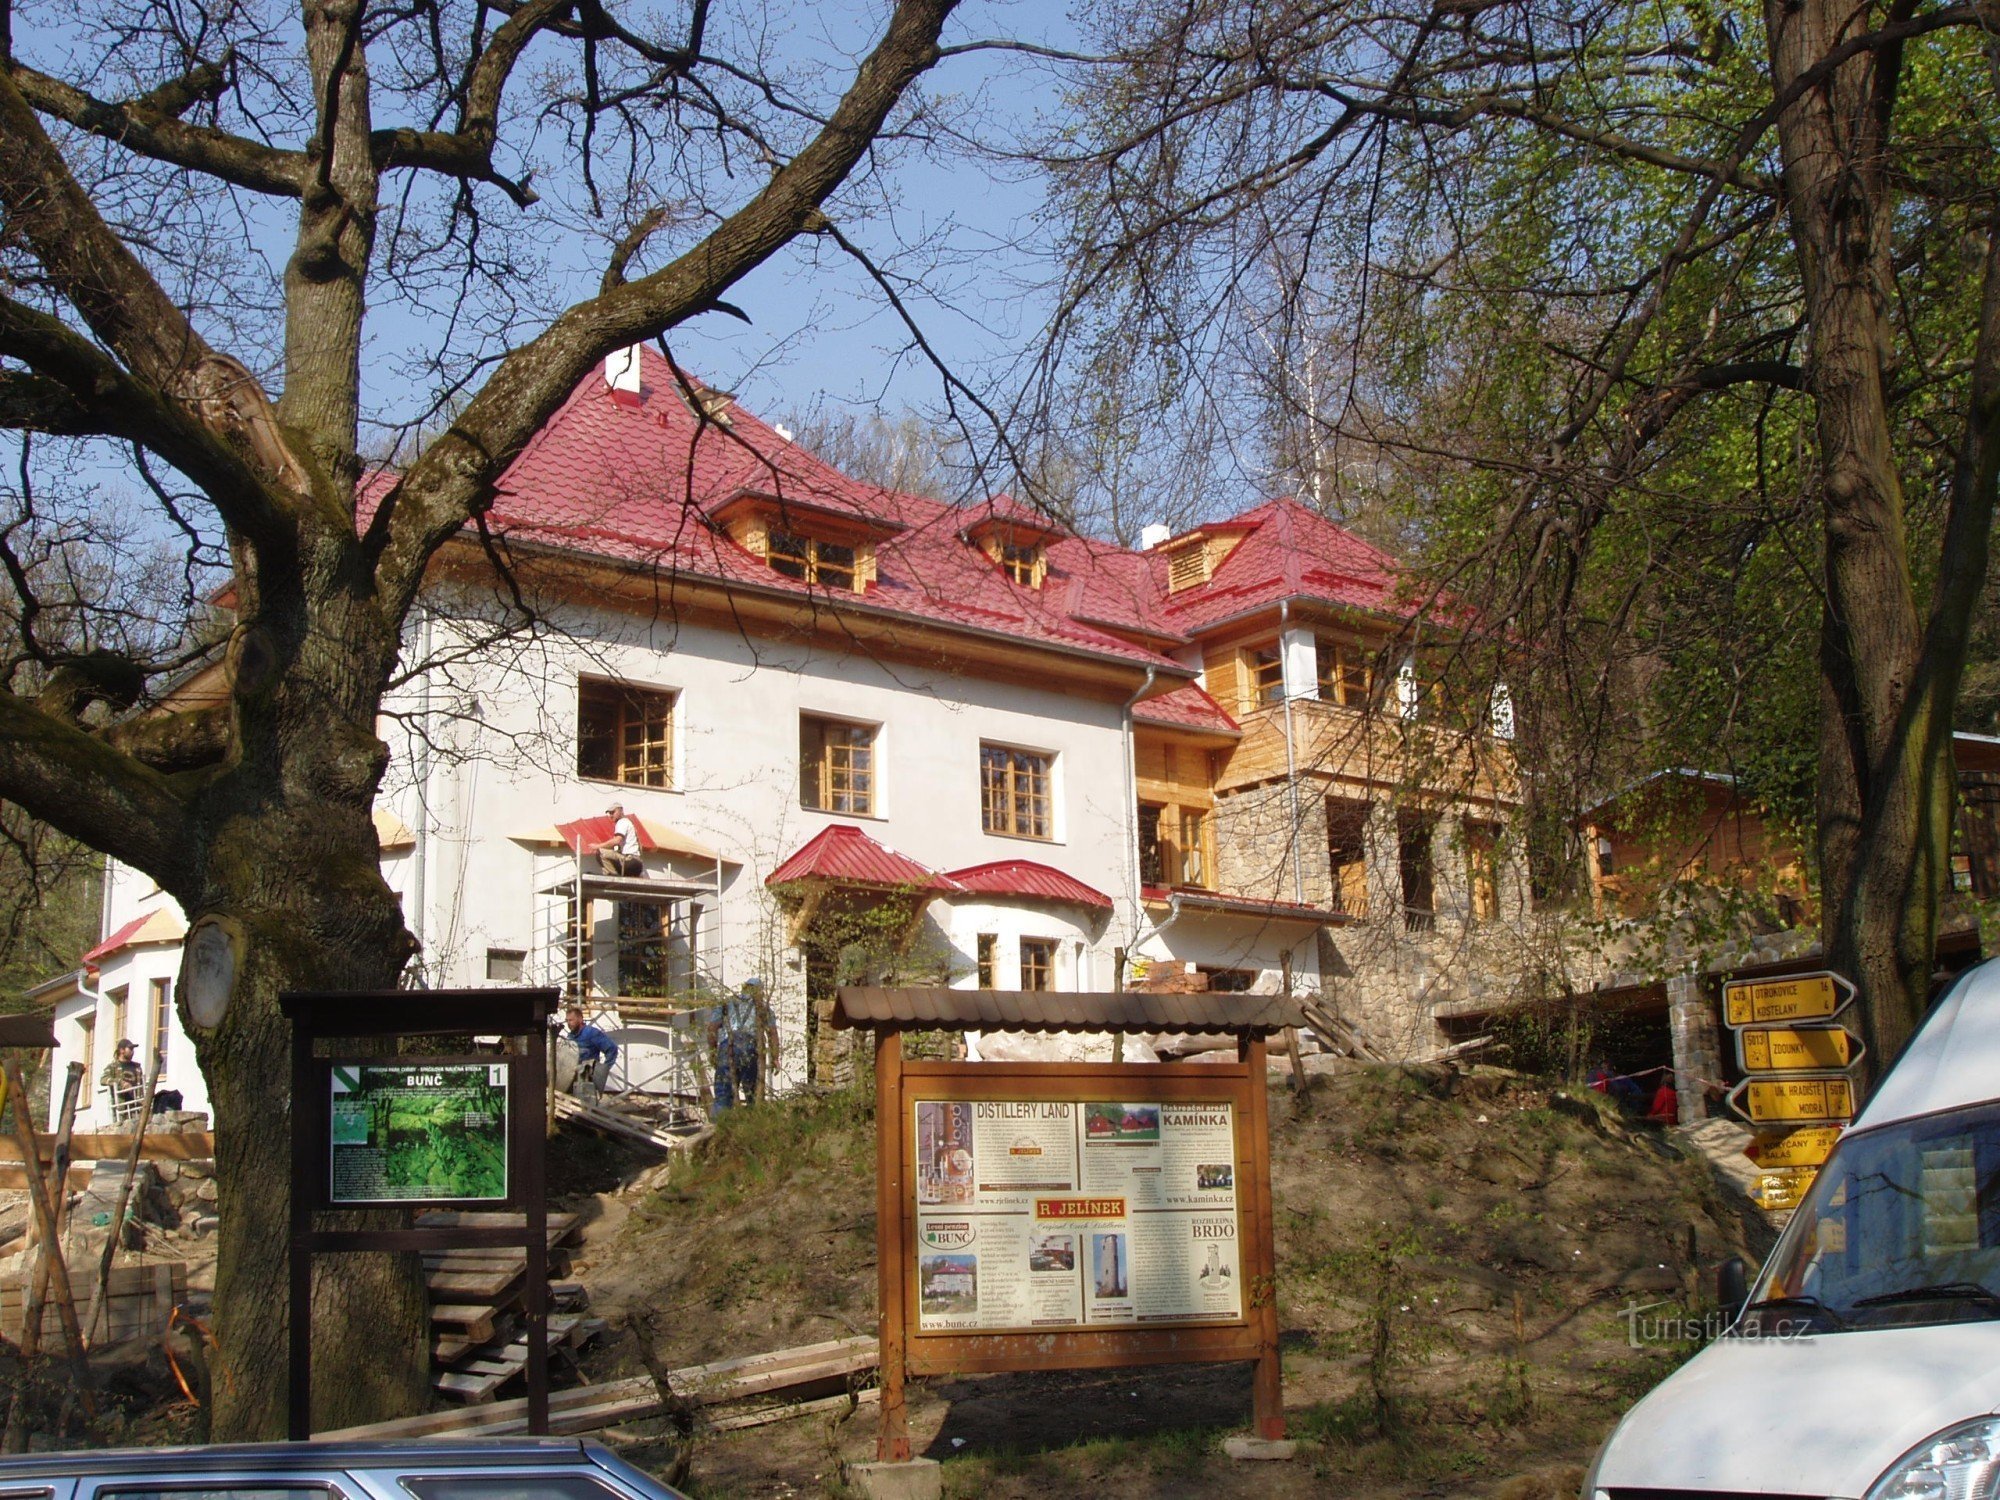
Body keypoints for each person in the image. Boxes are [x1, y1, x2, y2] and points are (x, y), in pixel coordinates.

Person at [709, 977, 779, 1112]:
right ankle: (752, 1126)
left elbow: (712, 1028)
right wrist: (775, 1058)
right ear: (760, 991)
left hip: (727, 1048)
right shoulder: (763, 1008)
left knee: (723, 1094)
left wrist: (712, 1052)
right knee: (753, 1094)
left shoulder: (725, 1004)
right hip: (752, 1049)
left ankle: (719, 1127)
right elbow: (772, 1033)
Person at [560, 1004, 620, 1095]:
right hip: (570, 1081)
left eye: (571, 1020)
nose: (568, 1023)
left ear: (580, 1019)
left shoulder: (591, 1033)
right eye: (567, 1021)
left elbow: (612, 1049)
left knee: (586, 1107)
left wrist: (602, 1071)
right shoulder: (570, 1037)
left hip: (586, 1080)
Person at [100, 1038, 145, 1121]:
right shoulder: (113, 1067)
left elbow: (142, 1085)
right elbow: (103, 1079)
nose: (132, 1051)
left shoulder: (137, 1067)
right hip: (121, 1108)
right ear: (122, 1050)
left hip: (137, 1107)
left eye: (133, 1049)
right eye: (130, 1049)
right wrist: (120, 1082)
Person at [594, 803, 643, 877]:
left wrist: (597, 846)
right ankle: (614, 875)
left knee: (600, 852)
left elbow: (617, 840)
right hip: (637, 863)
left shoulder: (622, 822)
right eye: (609, 813)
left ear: (621, 811)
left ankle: (613, 876)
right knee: (612, 852)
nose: (611, 815)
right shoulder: (629, 823)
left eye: (613, 812)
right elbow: (640, 846)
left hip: (629, 861)